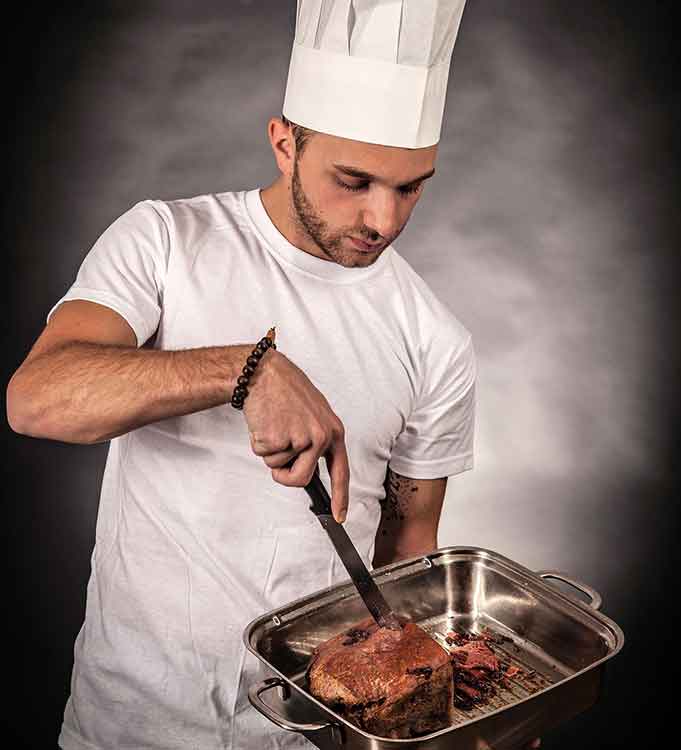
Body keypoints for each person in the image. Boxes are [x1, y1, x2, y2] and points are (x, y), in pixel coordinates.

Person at [7, 1, 540, 748]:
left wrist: (438, 713)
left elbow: (407, 550)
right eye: (354, 180)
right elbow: (36, 399)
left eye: (411, 186)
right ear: (285, 144)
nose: (384, 220)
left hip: (312, 735)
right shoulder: (165, 241)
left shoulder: (436, 339)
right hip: (128, 725)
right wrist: (247, 370)